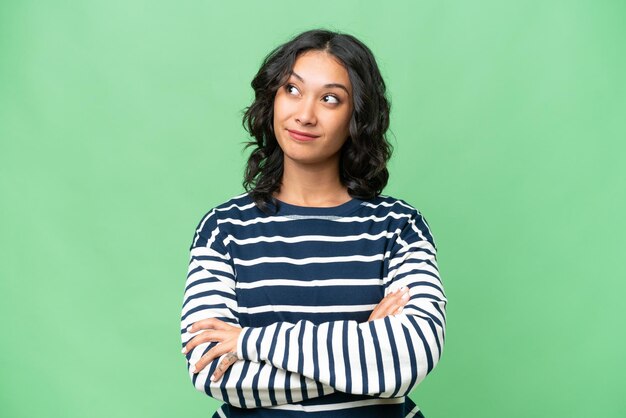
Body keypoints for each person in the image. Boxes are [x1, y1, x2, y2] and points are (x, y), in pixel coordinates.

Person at [179, 29, 447, 418]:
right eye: (292, 89)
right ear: (272, 97)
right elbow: (212, 369)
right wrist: (364, 358)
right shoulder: (223, 228)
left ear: (358, 116)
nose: (305, 114)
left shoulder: (400, 227)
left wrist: (250, 343)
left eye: (330, 99)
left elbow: (410, 358)